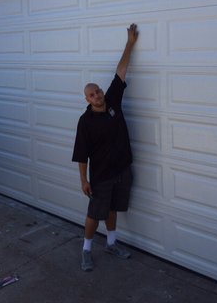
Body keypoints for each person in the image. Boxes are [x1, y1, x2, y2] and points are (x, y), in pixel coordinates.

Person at [72, 23, 139, 272]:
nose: (97, 95)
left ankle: (112, 243)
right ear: (87, 100)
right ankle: (86, 250)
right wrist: (83, 179)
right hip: (100, 176)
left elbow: (120, 71)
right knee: (94, 214)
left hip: (121, 169)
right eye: (92, 94)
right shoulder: (85, 122)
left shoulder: (113, 101)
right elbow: (81, 153)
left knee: (113, 209)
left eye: (97, 91)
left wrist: (129, 44)